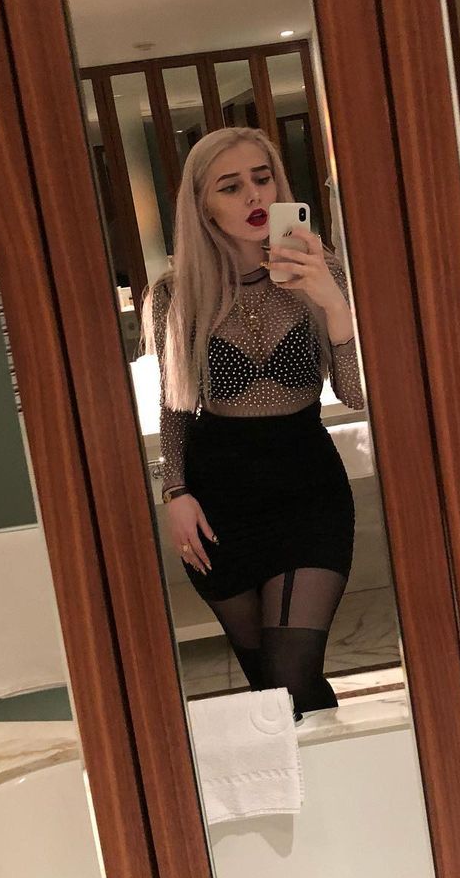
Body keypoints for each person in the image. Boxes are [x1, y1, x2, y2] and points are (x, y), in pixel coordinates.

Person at [145, 126, 364, 720]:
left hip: (307, 490)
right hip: (221, 501)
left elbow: (355, 395)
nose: (253, 196)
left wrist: (332, 301)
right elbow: (174, 407)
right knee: (270, 689)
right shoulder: (176, 294)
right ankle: (318, 775)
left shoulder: (324, 272)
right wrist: (175, 492)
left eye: (262, 179)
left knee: (292, 673)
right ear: (203, 206)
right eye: (230, 186)